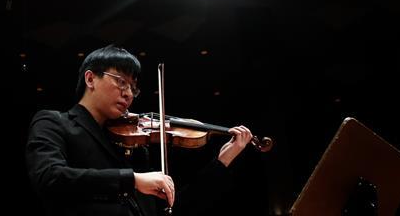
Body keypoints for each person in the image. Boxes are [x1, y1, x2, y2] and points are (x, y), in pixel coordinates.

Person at [25, 45, 255, 216]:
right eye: (121, 82)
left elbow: (174, 208)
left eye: (133, 88)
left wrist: (222, 162)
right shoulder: (54, 122)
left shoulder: (133, 146)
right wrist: (132, 179)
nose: (128, 93)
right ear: (90, 78)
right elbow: (49, 178)